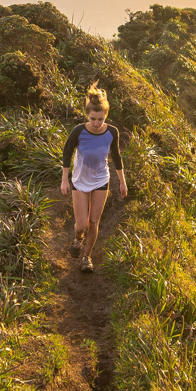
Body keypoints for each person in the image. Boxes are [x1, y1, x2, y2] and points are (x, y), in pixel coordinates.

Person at [59, 81, 127, 274]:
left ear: (106, 116)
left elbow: (116, 157)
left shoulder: (112, 132)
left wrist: (122, 182)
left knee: (94, 222)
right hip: (79, 181)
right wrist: (65, 180)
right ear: (87, 116)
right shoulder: (78, 131)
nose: (97, 123)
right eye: (93, 119)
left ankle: (87, 257)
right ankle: (78, 239)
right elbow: (66, 153)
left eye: (100, 119)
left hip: (100, 180)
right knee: (81, 225)